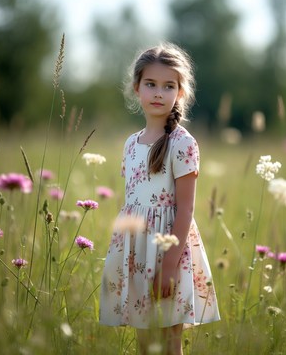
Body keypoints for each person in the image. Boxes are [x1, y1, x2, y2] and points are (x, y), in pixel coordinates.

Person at [100, 42, 220, 354]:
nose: (158, 93)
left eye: (168, 86)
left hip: (170, 251)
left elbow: (186, 209)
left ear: (180, 92)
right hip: (135, 252)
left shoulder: (183, 143)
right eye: (150, 84)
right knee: (144, 342)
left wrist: (169, 264)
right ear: (136, 88)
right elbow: (132, 202)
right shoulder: (131, 143)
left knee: (168, 341)